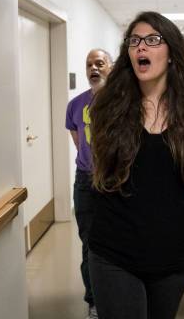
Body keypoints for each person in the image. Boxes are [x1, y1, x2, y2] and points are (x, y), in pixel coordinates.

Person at [87, 11, 184, 319]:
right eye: (135, 41)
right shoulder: (110, 108)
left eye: (152, 40)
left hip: (173, 258)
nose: (141, 47)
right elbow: (102, 175)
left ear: (172, 53)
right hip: (114, 254)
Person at [65, 48, 113, 319]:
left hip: (116, 181)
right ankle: (94, 301)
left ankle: (115, 295)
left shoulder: (122, 102)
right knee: (89, 244)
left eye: (100, 63)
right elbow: (78, 140)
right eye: (89, 65)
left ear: (111, 67)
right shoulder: (75, 105)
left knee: (117, 240)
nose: (94, 68)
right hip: (85, 181)